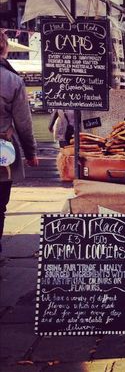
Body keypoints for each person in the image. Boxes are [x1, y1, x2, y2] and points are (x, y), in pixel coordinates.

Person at [0, 32, 39, 263]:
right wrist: (31, 152)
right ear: (4, 49)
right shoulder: (12, 80)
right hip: (2, 151)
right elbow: (23, 122)